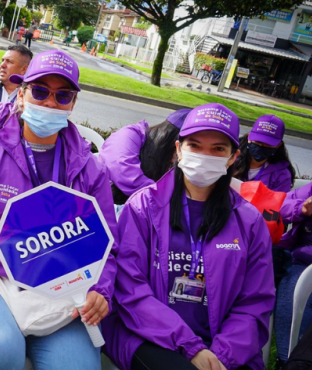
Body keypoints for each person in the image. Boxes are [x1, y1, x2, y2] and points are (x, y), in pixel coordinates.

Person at [0, 50, 118, 370]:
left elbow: (108, 243)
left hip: (65, 284)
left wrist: (100, 288)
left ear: (72, 105)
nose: (50, 103)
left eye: (62, 95)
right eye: (40, 91)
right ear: (21, 94)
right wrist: (27, 258)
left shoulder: (91, 169)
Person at [102, 103, 274, 370]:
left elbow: (255, 303)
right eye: (194, 145)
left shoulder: (249, 222)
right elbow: (131, 291)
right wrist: (190, 347)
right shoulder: (143, 208)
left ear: (232, 157)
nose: (205, 155)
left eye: (218, 149)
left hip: (224, 350)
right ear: (178, 149)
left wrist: (221, 355)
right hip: (148, 337)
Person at [99, 109, 191, 205]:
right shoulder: (131, 134)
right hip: (105, 203)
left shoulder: (181, 164)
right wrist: (163, 196)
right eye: (193, 145)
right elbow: (121, 169)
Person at [275, 183, 312, 369]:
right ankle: (286, 359)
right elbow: (278, 206)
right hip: (304, 261)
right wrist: (302, 208)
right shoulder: (310, 189)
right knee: (292, 293)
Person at [231, 114, 294, 193]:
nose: (261, 146)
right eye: (258, 142)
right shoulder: (230, 159)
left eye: (268, 144)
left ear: (278, 145)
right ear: (249, 138)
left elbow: (281, 203)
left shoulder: (282, 175)